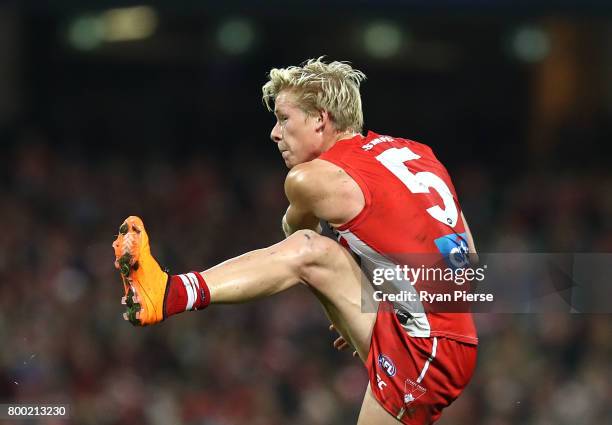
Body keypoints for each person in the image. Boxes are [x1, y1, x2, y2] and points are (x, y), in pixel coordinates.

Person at [112, 58, 478, 424]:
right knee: (315, 254)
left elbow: (297, 233)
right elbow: (465, 256)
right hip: (444, 334)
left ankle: (170, 293)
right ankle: (167, 292)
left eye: (284, 119)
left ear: (320, 118)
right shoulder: (417, 153)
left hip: (425, 351)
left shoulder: (311, 179)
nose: (274, 133)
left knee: (306, 248)